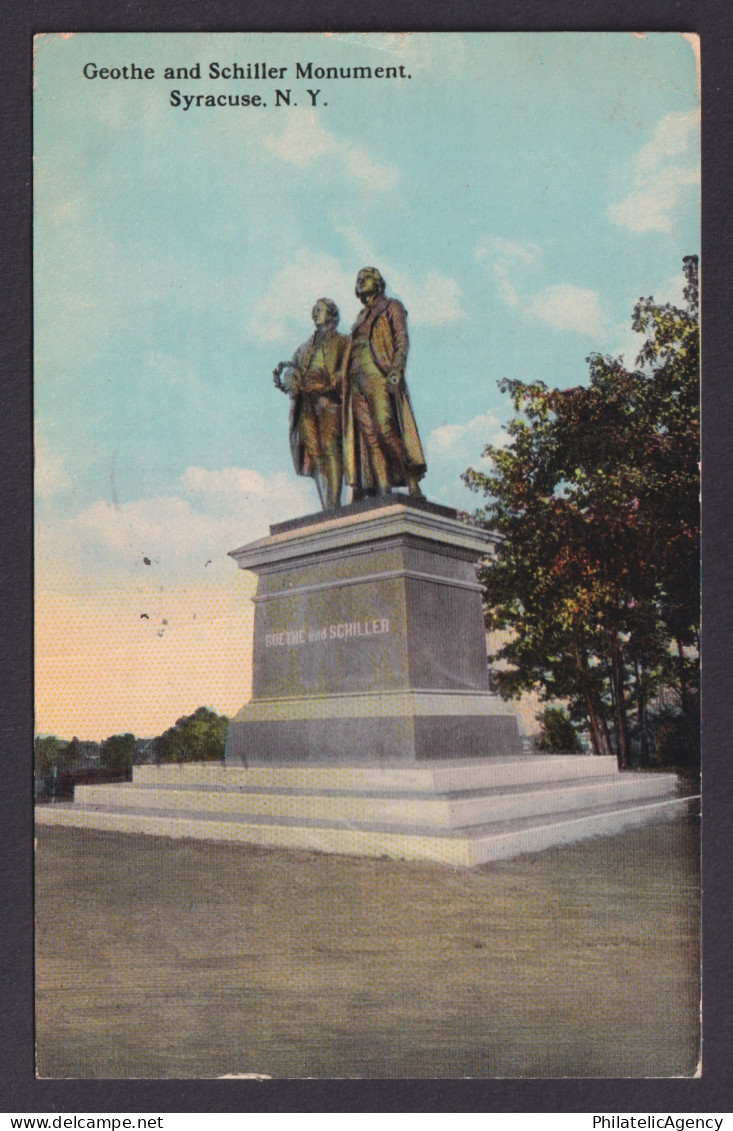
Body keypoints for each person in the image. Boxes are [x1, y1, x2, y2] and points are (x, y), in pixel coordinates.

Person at [342, 267, 427, 499]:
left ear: (377, 282)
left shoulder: (392, 306)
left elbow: (402, 339)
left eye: (365, 278)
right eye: (358, 279)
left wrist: (396, 368)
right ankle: (383, 487)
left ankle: (411, 480)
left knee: (386, 430)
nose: (360, 281)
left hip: (378, 376)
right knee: (370, 438)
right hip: (356, 382)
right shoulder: (359, 318)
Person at [273, 298, 348, 511]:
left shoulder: (343, 342)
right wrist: (291, 381)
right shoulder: (304, 347)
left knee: (331, 449)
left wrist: (328, 382)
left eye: (320, 310)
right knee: (314, 455)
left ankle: (333, 503)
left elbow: (350, 370)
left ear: (332, 314)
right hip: (305, 405)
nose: (315, 314)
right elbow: (291, 370)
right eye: (314, 311)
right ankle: (327, 506)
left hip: (329, 402)